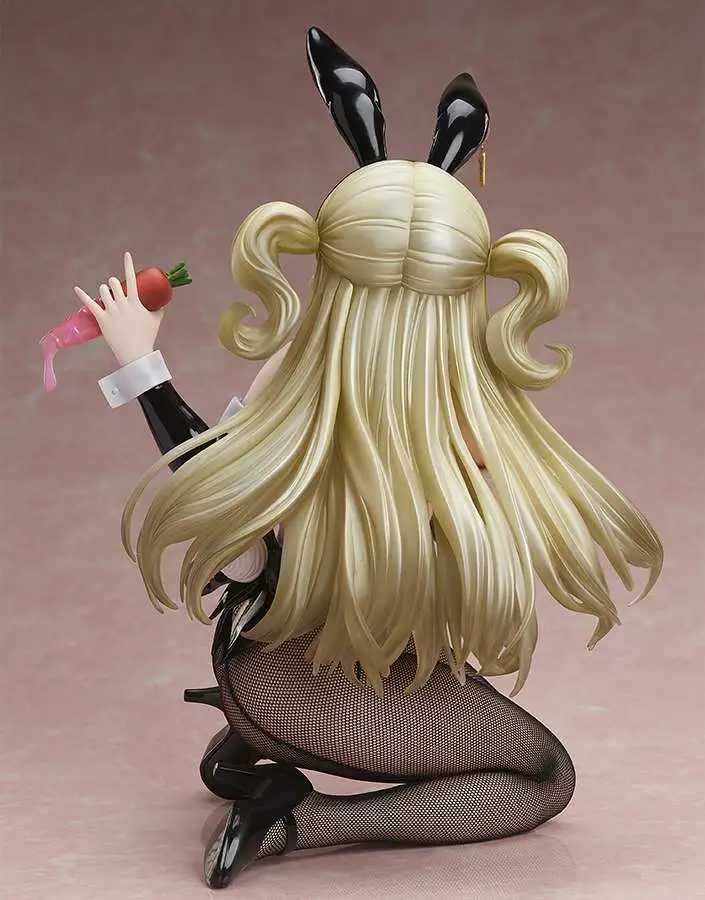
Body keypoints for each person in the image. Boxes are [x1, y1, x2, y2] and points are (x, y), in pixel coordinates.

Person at [76, 27, 663, 890]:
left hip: (265, 672)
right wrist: (141, 369)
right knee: (543, 777)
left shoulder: (301, 377)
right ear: (466, 284)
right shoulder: (463, 419)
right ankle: (298, 819)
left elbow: (232, 513)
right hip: (308, 688)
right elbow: (236, 521)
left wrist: (143, 364)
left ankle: (244, 753)